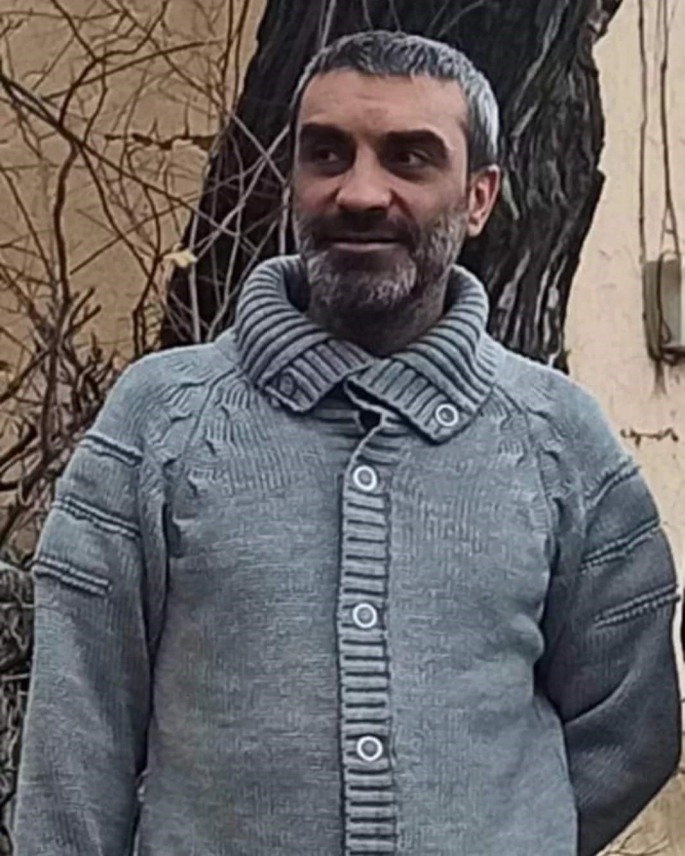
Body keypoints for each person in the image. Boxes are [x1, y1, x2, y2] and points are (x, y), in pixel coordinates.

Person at [14, 30, 681, 856]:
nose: (360, 193)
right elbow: (77, 740)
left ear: (478, 198)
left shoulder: (558, 441)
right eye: (326, 154)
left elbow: (630, 726)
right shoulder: (160, 423)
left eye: (409, 159)